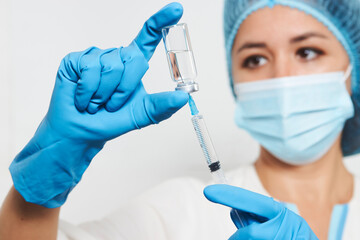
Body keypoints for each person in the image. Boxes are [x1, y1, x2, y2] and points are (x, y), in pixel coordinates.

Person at [0, 0, 359, 239]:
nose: (282, 76)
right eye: (255, 59)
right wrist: (34, 196)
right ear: (234, 78)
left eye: (308, 51)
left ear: (353, 67)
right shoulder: (182, 212)